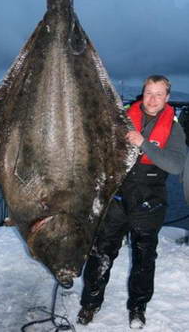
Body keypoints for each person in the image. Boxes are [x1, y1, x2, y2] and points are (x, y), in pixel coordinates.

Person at [77, 75, 187, 329]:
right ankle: (90, 304)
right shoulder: (123, 118)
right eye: (149, 92)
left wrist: (143, 144)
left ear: (167, 98)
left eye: (159, 94)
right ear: (142, 92)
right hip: (117, 198)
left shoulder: (174, 128)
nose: (153, 99)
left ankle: (138, 308)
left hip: (150, 202)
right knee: (101, 254)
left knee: (144, 259)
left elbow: (175, 165)